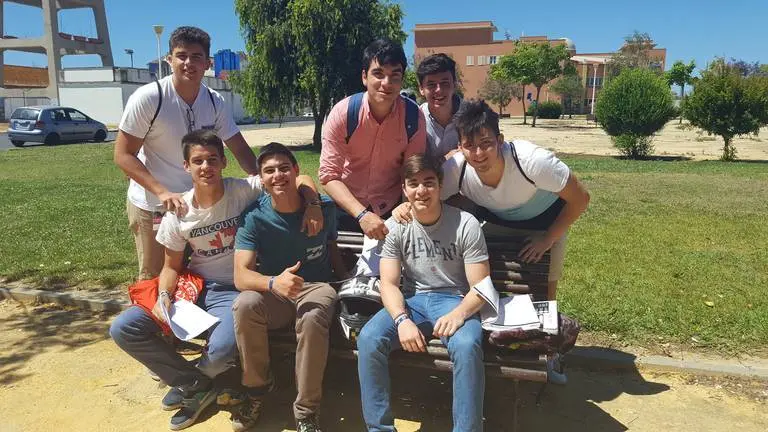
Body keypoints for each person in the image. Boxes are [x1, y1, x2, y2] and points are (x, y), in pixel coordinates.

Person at [110, 131, 323, 431]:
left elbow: (300, 178)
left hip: (234, 290)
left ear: (224, 162)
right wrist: (164, 296)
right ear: (186, 166)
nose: (206, 167)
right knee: (124, 328)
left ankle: (195, 384)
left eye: (212, 159)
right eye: (198, 161)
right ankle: (195, 383)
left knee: (221, 352)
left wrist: (313, 203)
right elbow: (170, 267)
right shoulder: (180, 211)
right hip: (194, 288)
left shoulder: (243, 190)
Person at [394, 99, 590, 301]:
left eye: (486, 143)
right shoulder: (456, 169)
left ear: (500, 140)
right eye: (469, 145)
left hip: (546, 221)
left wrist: (548, 239)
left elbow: (581, 198)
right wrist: (406, 207)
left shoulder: (532, 161)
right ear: (460, 147)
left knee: (545, 293)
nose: (478, 154)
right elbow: (427, 198)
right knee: (477, 274)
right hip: (497, 220)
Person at [114, 26, 268, 281]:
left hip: (198, 208)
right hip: (155, 205)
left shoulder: (214, 101)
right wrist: (162, 192)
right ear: (169, 59)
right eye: (181, 55)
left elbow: (240, 148)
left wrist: (266, 182)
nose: (188, 63)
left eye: (196, 56)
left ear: (207, 63)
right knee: (156, 278)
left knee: (196, 276)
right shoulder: (150, 98)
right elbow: (123, 155)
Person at [357, 154, 491, 432]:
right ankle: (379, 429)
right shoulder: (396, 227)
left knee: (467, 346)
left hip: (455, 301)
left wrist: (459, 315)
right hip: (413, 301)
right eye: (413, 184)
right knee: (369, 338)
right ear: (404, 189)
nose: (421, 190)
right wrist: (401, 320)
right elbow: (389, 283)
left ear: (440, 186)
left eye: (429, 183)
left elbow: (480, 287)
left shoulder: (465, 224)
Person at [232, 143, 347, 432]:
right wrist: (273, 282)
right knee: (245, 305)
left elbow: (332, 247)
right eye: (269, 171)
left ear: (296, 170)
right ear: (261, 179)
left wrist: (345, 279)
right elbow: (241, 277)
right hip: (276, 291)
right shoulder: (254, 217)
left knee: (312, 315)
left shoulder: (322, 208)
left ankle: (306, 412)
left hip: (317, 285)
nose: (278, 175)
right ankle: (257, 390)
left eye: (284, 168)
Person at [319, 38, 427, 240]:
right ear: (364, 77)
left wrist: (405, 207)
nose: (386, 83)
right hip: (347, 206)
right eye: (378, 74)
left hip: (393, 208)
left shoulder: (413, 118)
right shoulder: (343, 114)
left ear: (402, 80)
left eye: (395, 76)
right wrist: (362, 214)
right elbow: (329, 176)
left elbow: (412, 173)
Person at [417, 53, 462, 160]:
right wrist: (445, 159)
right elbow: (415, 165)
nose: (439, 90)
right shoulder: (415, 120)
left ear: (454, 85)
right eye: (431, 85)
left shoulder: (473, 116)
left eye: (444, 83)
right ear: (421, 89)